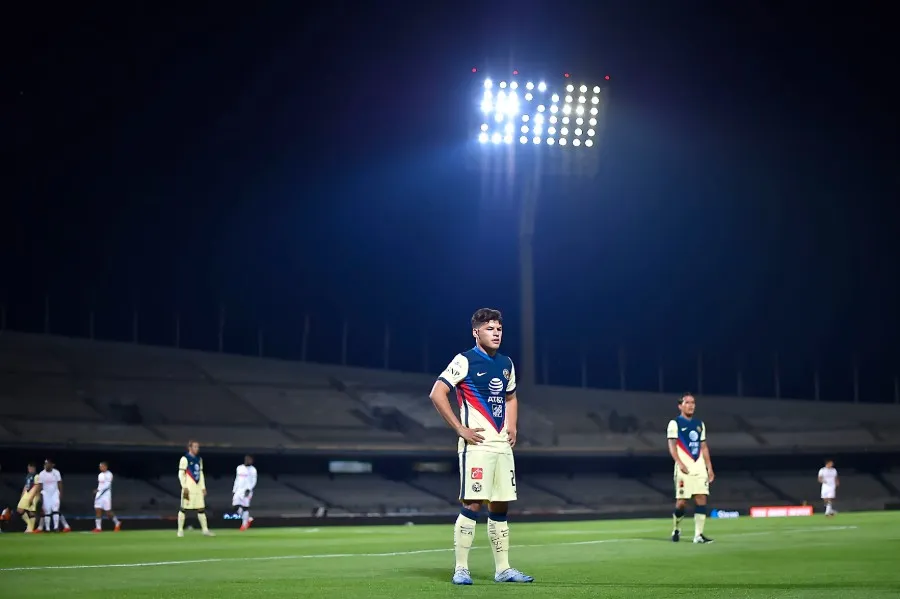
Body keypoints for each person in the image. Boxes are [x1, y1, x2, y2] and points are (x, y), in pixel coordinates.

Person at [429, 308, 533, 585]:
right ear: (476, 332)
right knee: (473, 504)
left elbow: (511, 398)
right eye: (490, 328)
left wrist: (512, 426)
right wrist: (459, 429)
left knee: (500, 507)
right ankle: (461, 568)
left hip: (501, 446)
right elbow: (437, 392)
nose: (496, 333)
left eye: (499, 328)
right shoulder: (464, 360)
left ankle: (503, 569)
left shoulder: (506, 363)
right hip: (477, 446)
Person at [667, 393, 715, 544]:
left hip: (699, 465)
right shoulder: (675, 423)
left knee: (701, 497)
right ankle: (676, 528)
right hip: (684, 466)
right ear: (680, 406)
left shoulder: (699, 424)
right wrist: (679, 463)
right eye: (687, 402)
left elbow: (704, 446)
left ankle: (698, 535)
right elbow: (672, 446)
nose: (691, 405)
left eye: (693, 402)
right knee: (682, 502)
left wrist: (709, 467)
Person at [178, 440, 214, 537]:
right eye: (195, 447)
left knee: (201, 509)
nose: (197, 449)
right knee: (183, 509)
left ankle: (205, 530)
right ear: (190, 448)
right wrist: (184, 486)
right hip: (188, 488)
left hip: (197, 488)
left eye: (197, 447)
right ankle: (180, 530)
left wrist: (203, 487)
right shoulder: (184, 459)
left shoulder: (199, 459)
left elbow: (200, 474)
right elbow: (181, 474)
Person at [38, 459, 71, 532]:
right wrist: (40, 495)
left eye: (48, 464)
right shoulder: (41, 474)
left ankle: (56, 527)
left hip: (55, 493)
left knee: (55, 510)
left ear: (52, 465)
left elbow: (60, 483)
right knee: (47, 511)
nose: (47, 465)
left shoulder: (56, 472)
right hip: (46, 494)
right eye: (46, 464)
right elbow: (40, 486)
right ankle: (47, 528)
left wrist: (60, 494)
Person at [92, 462, 122, 532]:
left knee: (108, 512)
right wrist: (98, 491)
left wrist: (98, 490)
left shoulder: (109, 474)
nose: (100, 468)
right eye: (100, 467)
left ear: (106, 467)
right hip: (99, 495)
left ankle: (117, 522)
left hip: (106, 495)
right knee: (97, 510)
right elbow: (100, 485)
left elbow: (107, 486)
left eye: (102, 466)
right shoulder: (100, 475)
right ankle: (98, 528)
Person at [232, 455, 258, 531]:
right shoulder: (239, 468)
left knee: (245, 507)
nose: (248, 461)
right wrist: (234, 490)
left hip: (247, 491)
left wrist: (249, 489)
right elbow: (237, 479)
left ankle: (244, 525)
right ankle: (248, 518)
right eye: (247, 459)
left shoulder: (253, 470)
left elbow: (254, 481)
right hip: (238, 490)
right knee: (235, 506)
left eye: (250, 460)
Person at [16, 463, 41, 533]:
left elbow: (37, 487)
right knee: (19, 509)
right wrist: (22, 496)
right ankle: (30, 526)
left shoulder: (37, 476)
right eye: (28, 468)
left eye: (30, 468)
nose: (29, 470)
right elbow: (26, 486)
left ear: (34, 468)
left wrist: (32, 498)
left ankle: (30, 529)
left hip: (33, 495)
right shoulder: (28, 475)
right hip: (27, 494)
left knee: (31, 512)